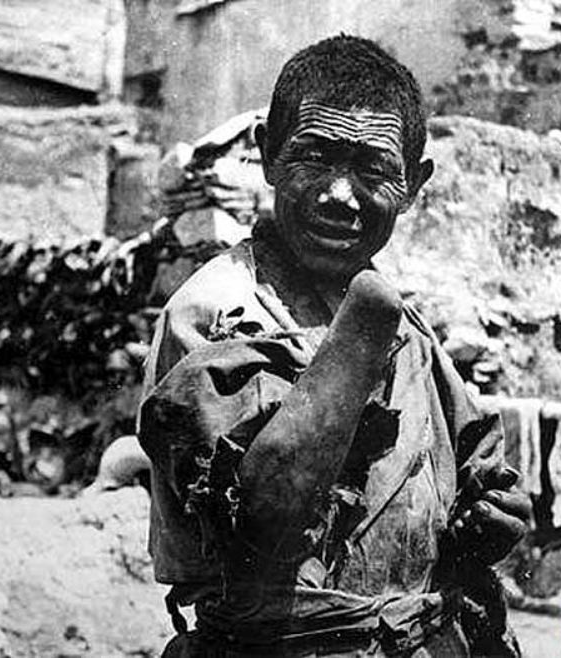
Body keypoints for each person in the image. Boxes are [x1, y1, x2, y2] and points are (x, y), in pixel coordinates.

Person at [138, 35, 531, 657]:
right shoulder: (216, 311)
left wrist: (491, 516)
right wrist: (361, 336)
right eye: (314, 158)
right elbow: (260, 521)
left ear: (413, 184)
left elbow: (471, 469)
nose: (339, 195)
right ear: (268, 155)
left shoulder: (411, 331)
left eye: (373, 170)